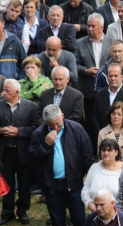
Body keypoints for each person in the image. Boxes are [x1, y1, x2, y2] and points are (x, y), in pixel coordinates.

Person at [29, 104, 94, 226]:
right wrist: (45, 145)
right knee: (57, 221)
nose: (55, 127)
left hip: (74, 184)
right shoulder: (38, 134)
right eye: (51, 125)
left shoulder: (77, 129)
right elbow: (33, 159)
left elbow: (88, 156)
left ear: (62, 116)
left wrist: (90, 180)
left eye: (58, 124)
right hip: (52, 185)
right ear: (45, 121)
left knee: (79, 219)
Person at [0, 80, 38, 226]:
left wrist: (19, 132)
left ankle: (22, 211)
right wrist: (1, 131)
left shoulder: (31, 107)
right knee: (7, 183)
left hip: (23, 151)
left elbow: (36, 127)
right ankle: (7, 212)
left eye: (7, 91)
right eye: (3, 90)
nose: (4, 93)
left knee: (24, 183)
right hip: (5, 152)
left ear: (17, 92)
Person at [82, 139, 123, 211]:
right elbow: (85, 190)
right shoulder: (94, 168)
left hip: (118, 215)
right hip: (95, 214)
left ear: (116, 152)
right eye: (103, 150)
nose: (106, 153)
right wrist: (90, 205)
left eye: (109, 150)